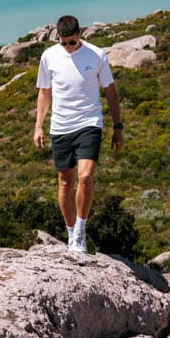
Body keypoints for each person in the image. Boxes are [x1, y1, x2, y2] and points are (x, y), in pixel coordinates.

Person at [34, 14, 124, 252]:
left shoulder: (97, 55)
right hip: (61, 127)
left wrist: (118, 127)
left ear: (80, 35)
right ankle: (71, 230)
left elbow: (111, 92)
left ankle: (81, 230)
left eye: (71, 42)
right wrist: (38, 126)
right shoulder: (49, 57)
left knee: (85, 176)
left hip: (89, 123)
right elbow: (44, 92)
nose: (67, 47)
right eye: (63, 43)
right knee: (65, 182)